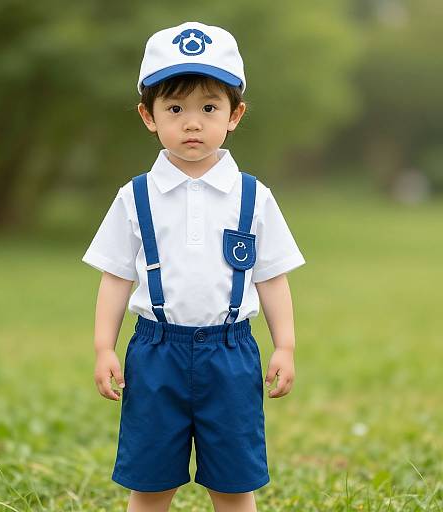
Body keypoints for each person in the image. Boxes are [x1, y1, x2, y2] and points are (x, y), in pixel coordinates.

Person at [82, 20, 306, 512]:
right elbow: (116, 274)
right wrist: (104, 347)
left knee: (233, 482)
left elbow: (271, 276)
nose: (192, 122)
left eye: (209, 107)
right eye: (175, 108)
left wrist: (285, 345)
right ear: (148, 115)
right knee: (151, 481)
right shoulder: (134, 196)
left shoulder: (253, 196)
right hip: (156, 350)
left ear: (234, 115)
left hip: (230, 353)